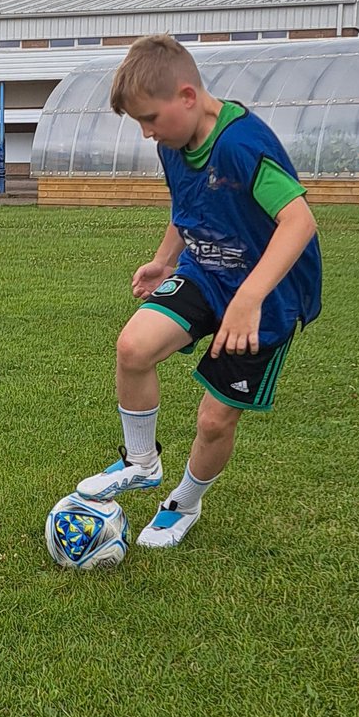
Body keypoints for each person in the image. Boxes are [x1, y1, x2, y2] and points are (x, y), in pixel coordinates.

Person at [75, 34, 322, 547]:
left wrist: (249, 299)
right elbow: (187, 208)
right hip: (205, 271)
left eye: (150, 119)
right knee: (133, 348)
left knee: (213, 420)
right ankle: (141, 461)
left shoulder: (240, 145)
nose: (146, 134)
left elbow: (298, 223)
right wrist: (164, 260)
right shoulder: (175, 141)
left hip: (267, 298)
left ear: (187, 97)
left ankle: (184, 503)